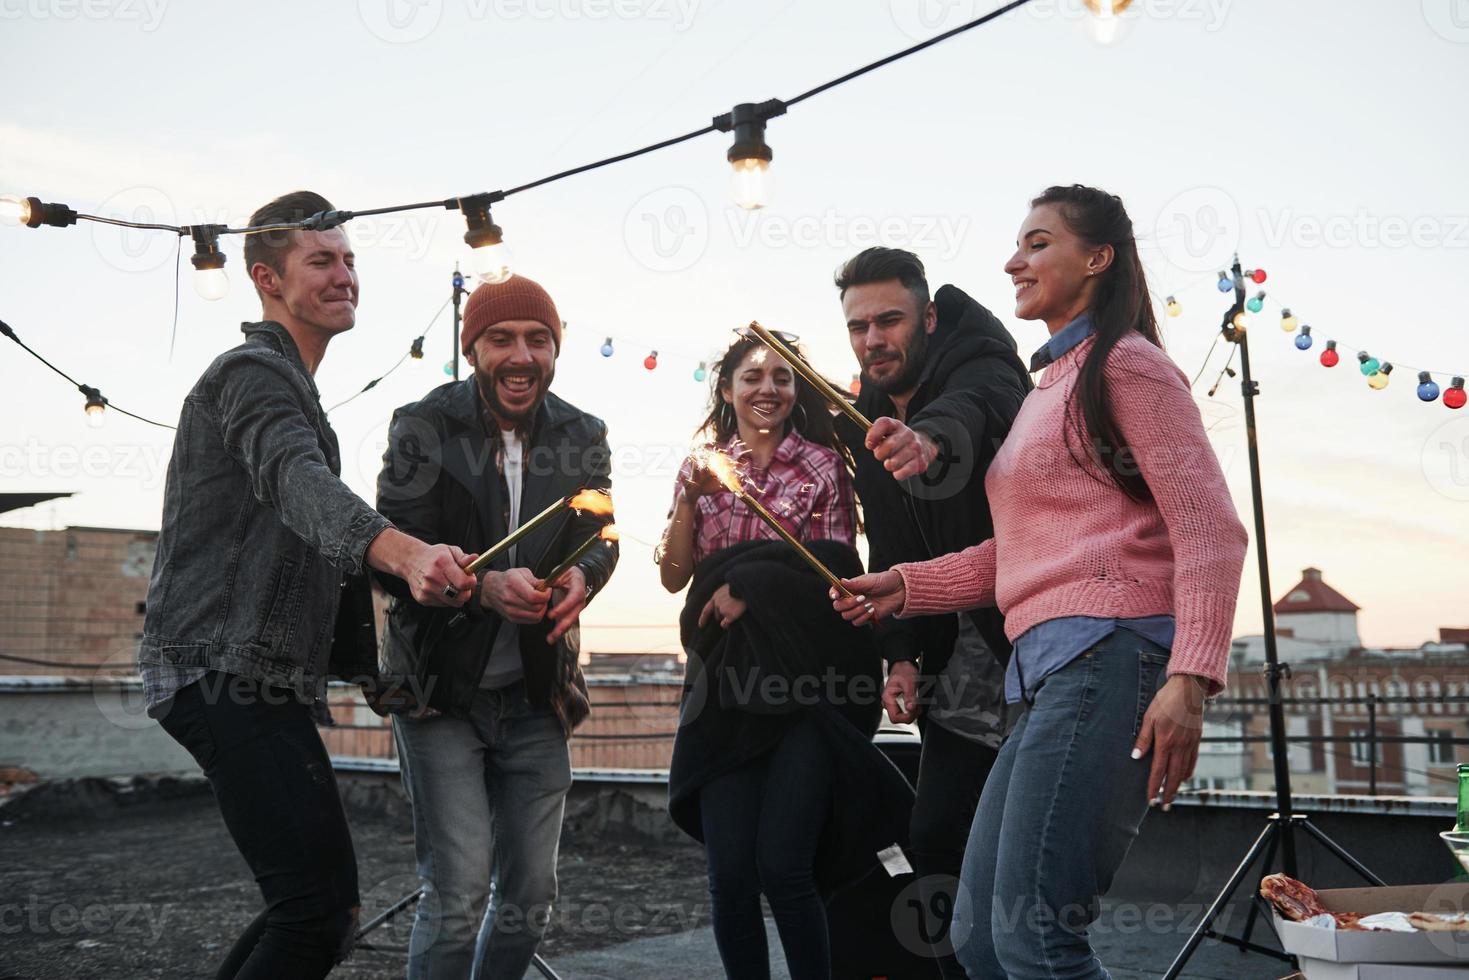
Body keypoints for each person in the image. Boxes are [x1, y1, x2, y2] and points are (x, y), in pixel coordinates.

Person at [834, 184, 1249, 979]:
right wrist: (905, 586)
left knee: (1035, 942)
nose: (1011, 261)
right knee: (982, 943)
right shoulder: (1047, 389)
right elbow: (1019, 554)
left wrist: (1190, 676)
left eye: (1036, 243)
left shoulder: (1127, 365)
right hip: (1041, 676)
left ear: (1097, 258)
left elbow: (1208, 527)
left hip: (1105, 657)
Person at [137, 190, 477, 980]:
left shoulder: (293, 385)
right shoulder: (252, 375)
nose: (344, 275)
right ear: (266, 277)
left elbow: (306, 547)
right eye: (321, 261)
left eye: (350, 260)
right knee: (318, 912)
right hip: (219, 671)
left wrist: (378, 675)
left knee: (309, 909)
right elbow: (298, 484)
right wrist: (405, 551)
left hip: (252, 678)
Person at [375, 274, 617, 979]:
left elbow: (600, 534)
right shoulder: (422, 426)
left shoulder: (583, 433)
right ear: (472, 347)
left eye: (537, 339)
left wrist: (586, 576)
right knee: (455, 894)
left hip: (537, 694)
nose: (521, 355)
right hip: (439, 692)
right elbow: (390, 555)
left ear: (555, 349)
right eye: (502, 339)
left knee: (531, 898)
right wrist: (480, 589)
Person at [661, 329, 913, 980]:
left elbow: (834, 574)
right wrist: (686, 506)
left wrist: (751, 587)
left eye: (781, 377)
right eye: (751, 377)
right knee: (730, 875)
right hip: (723, 684)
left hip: (803, 683)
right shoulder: (702, 465)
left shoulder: (823, 465)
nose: (766, 388)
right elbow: (674, 574)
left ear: (795, 388)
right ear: (726, 389)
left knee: (784, 864)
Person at [832, 246, 1030, 977]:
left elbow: (975, 409)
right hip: (954, 662)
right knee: (936, 841)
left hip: (1030, 648)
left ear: (929, 317)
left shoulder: (982, 362)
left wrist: (930, 440)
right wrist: (901, 656)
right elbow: (885, 544)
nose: (873, 339)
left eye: (888, 320)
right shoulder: (869, 415)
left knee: (1027, 876)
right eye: (858, 326)